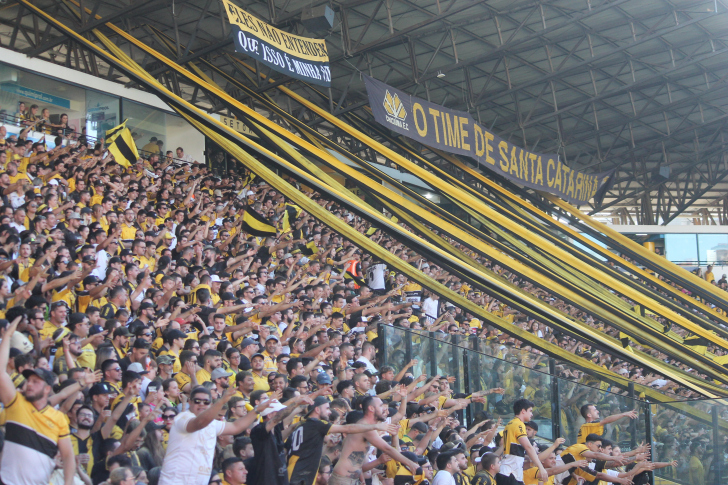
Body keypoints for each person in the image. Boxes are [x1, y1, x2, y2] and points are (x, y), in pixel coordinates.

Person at [0, 317, 76, 485]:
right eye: (29, 381)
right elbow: (1, 373)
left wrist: (68, 483)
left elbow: (68, 456)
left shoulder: (58, 419)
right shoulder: (16, 402)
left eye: (35, 382)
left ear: (47, 389)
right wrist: (7, 337)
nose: (29, 385)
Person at [158, 386, 270, 485]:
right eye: (197, 401)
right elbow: (199, 423)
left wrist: (257, 410)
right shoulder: (182, 418)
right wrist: (221, 402)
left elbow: (236, 427)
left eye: (206, 402)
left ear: (210, 404)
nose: (201, 404)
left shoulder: (212, 424)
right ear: (190, 402)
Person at [286, 396, 400, 485]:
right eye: (327, 408)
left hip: (295, 471)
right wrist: (375, 427)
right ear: (316, 409)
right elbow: (348, 428)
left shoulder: (301, 425)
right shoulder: (316, 424)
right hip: (303, 473)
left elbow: (357, 465)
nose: (329, 412)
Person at [331, 396, 418, 485]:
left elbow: (357, 459)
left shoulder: (366, 426)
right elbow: (387, 449)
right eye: (380, 406)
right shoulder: (366, 428)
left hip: (349, 479)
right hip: (342, 480)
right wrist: (410, 464)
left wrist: (361, 480)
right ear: (371, 408)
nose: (384, 409)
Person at [499, 399, 547, 484]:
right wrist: (541, 467)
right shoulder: (519, 424)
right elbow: (528, 447)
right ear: (523, 411)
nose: (532, 414)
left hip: (510, 471)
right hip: (510, 472)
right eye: (530, 411)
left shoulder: (510, 423)